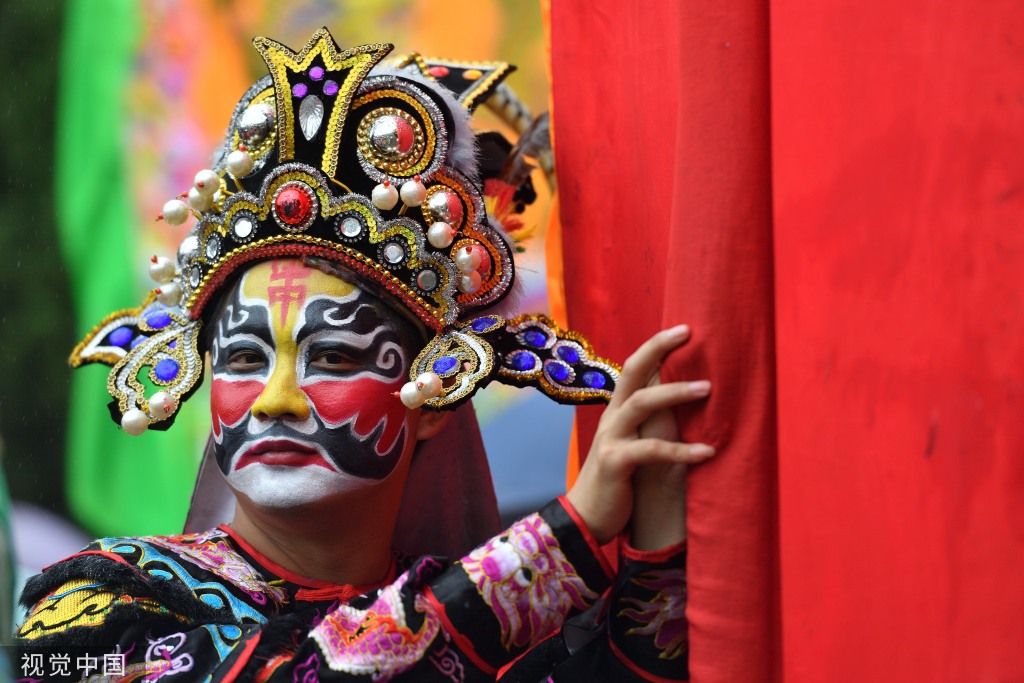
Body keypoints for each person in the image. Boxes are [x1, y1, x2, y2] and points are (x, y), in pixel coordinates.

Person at [16, 29, 712, 682]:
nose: (275, 397)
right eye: (246, 358)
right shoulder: (90, 610)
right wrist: (567, 539)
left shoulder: (503, 627)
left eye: (336, 357)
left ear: (436, 389)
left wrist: (659, 552)